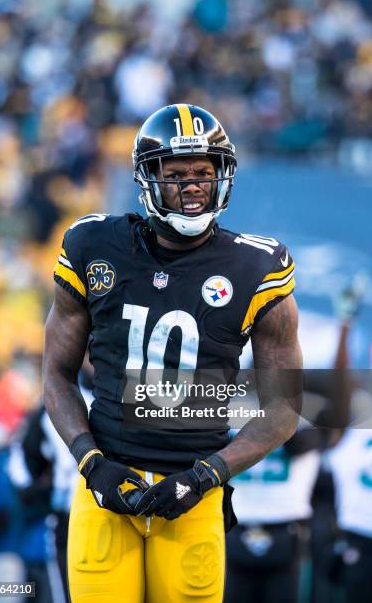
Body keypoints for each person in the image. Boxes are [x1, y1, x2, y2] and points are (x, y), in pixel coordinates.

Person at [43, 103, 302, 603]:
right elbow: (55, 372)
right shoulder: (93, 244)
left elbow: (285, 409)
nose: (192, 185)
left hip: (195, 491)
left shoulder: (257, 266)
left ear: (222, 176)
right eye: (176, 174)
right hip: (106, 487)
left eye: (203, 172)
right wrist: (91, 462)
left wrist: (208, 474)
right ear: (147, 180)